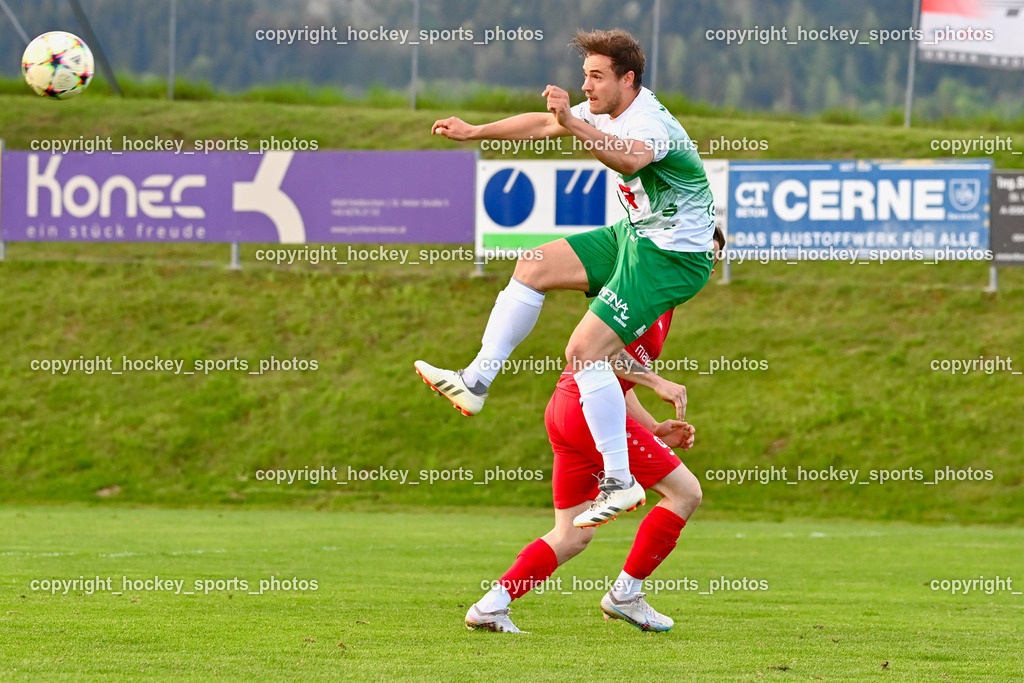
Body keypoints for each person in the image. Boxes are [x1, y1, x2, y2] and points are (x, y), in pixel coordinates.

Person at [416, 28, 717, 528]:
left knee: (583, 354)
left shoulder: (650, 121)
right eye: (584, 76)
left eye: (597, 77)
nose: (588, 86)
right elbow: (544, 124)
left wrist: (573, 124)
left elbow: (630, 158)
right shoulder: (606, 108)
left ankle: (620, 481)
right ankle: (475, 382)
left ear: (628, 79)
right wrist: (474, 132)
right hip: (637, 234)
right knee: (532, 263)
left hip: (672, 256)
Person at [464, 306, 701, 633]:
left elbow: (615, 383)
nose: (704, 259)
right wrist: (656, 381)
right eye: (706, 252)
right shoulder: (645, 284)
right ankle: (625, 595)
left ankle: (491, 606)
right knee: (685, 493)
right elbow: (595, 355)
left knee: (571, 535)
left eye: (713, 256)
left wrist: (653, 427)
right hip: (584, 408)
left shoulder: (667, 298)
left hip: (572, 407)